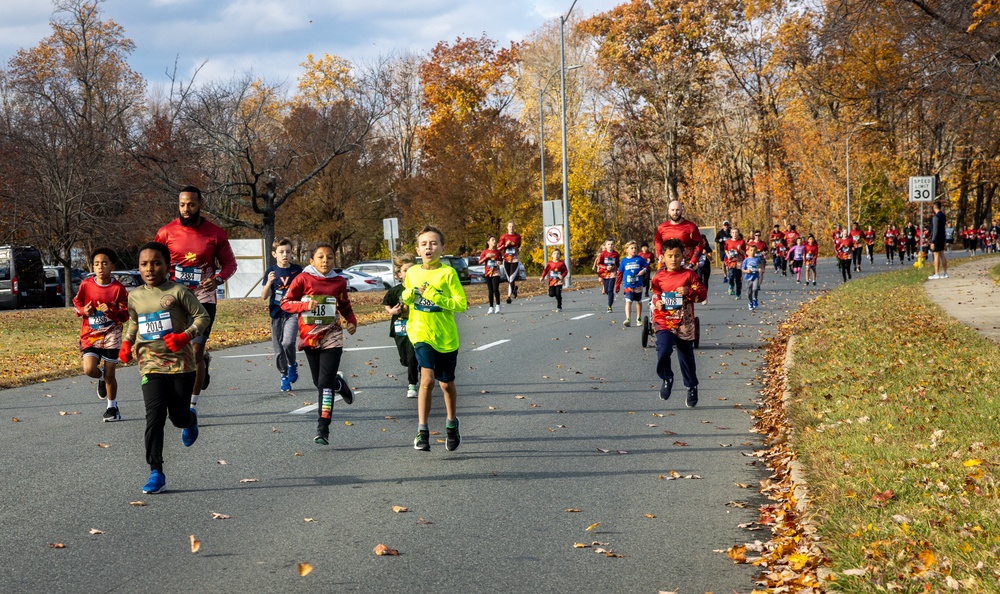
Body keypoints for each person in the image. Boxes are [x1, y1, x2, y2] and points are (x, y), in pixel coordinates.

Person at [118, 241, 209, 494]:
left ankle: (190, 420)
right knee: (154, 417)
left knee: (178, 418)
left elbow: (203, 317)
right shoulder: (135, 296)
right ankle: (156, 471)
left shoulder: (178, 291)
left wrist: (185, 336)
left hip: (181, 365)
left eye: (156, 263)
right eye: (144, 264)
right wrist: (126, 343)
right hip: (150, 366)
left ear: (167, 265)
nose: (150, 268)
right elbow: (134, 323)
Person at [154, 186, 237, 410]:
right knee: (174, 349)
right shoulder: (166, 233)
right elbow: (154, 261)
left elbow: (230, 264)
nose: (186, 209)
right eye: (182, 205)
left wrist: (218, 279)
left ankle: (191, 406)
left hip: (204, 298)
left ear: (200, 204)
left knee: (195, 351)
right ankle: (192, 374)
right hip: (175, 298)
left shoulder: (216, 233)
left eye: (191, 204)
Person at [280, 243, 357, 446]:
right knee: (320, 382)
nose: (325, 261)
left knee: (324, 385)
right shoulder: (302, 279)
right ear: (311, 260)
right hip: (310, 338)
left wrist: (351, 322)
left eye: (330, 257)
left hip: (332, 336)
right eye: (320, 257)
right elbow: (285, 302)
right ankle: (339, 384)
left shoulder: (339, 281)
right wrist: (305, 305)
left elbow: (344, 305)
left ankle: (323, 428)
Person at [401, 226, 468, 452]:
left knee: (446, 383)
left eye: (433, 243)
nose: (428, 247)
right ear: (417, 249)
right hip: (421, 332)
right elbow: (407, 297)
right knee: (427, 380)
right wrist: (408, 295)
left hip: (445, 336)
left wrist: (435, 296)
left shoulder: (448, 274)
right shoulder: (413, 273)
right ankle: (422, 431)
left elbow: (461, 304)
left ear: (442, 248)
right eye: (424, 244)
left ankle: (451, 424)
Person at [72, 248, 130, 421]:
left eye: (104, 263)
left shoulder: (118, 288)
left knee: (112, 373)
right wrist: (84, 310)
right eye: (96, 264)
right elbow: (76, 302)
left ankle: (112, 408)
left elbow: (125, 314)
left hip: (112, 335)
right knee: (89, 369)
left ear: (112, 266)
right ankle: (102, 377)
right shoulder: (86, 284)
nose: (100, 267)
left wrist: (111, 312)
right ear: (92, 266)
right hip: (90, 334)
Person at [650, 238, 706, 408]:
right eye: (669, 256)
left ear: (683, 256)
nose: (673, 259)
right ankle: (667, 377)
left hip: (684, 320)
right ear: (663, 257)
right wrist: (658, 302)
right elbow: (656, 294)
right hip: (664, 319)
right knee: (664, 349)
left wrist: (689, 291)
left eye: (677, 255)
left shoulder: (689, 275)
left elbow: (702, 294)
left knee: (686, 355)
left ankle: (691, 386)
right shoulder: (658, 277)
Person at [262, 238, 303, 392]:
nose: (285, 254)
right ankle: (284, 375)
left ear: (291, 253)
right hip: (276, 313)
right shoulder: (271, 271)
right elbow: (264, 296)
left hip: (292, 312)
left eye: (288, 251)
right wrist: (268, 283)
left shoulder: (297, 270)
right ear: (274, 254)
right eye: (281, 252)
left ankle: (292, 364)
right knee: (278, 348)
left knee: (287, 342)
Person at [383, 253, 418, 398]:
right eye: (405, 270)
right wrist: (392, 310)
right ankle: (416, 369)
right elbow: (387, 305)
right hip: (400, 328)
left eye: (412, 269)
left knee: (413, 356)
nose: (409, 273)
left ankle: (412, 385)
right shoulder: (395, 291)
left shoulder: (419, 289)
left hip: (417, 327)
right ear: (399, 274)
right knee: (406, 358)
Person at [654, 200, 705, 270]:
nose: (675, 213)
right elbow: (657, 241)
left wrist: (692, 262)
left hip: (685, 266)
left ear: (681, 210)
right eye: (673, 210)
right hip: (667, 266)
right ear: (668, 211)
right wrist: (660, 254)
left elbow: (699, 245)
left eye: (677, 210)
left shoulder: (691, 227)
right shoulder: (661, 227)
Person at [615, 241, 648, 326]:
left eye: (635, 248)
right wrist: (617, 284)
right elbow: (620, 273)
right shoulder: (624, 261)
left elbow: (647, 266)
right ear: (627, 250)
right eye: (632, 248)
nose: (634, 250)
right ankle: (628, 319)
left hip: (638, 284)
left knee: (638, 301)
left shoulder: (639, 259)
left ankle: (638, 318)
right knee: (628, 301)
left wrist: (643, 270)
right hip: (628, 285)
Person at [497, 221, 522, 304]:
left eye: (513, 226)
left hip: (514, 259)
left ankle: (509, 297)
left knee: (511, 278)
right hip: (506, 259)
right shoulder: (504, 236)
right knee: (509, 278)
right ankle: (514, 289)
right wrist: (505, 245)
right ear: (507, 228)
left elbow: (519, 246)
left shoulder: (518, 236)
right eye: (510, 226)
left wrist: (519, 248)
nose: (511, 228)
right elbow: (498, 248)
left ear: (514, 227)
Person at [593, 239, 620, 312]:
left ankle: (609, 306)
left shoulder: (616, 254)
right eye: (608, 244)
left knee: (610, 289)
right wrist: (606, 267)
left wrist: (616, 269)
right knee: (607, 290)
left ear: (614, 245)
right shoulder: (602, 254)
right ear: (606, 245)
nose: (610, 246)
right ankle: (610, 296)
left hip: (612, 273)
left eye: (612, 244)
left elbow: (617, 263)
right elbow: (599, 264)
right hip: (604, 273)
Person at [479, 236, 503, 314]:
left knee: (495, 289)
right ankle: (491, 307)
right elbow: (480, 262)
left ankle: (498, 305)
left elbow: (500, 260)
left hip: (496, 272)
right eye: (492, 240)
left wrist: (499, 262)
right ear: (488, 242)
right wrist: (486, 257)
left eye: (495, 240)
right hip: (488, 273)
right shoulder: (485, 252)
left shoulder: (498, 252)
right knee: (490, 290)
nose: (494, 241)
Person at [723, 229, 746, 297]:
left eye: (736, 232)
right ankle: (731, 285)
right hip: (731, 260)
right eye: (733, 232)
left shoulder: (742, 242)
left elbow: (744, 253)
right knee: (731, 275)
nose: (735, 234)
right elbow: (726, 249)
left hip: (739, 260)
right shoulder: (728, 241)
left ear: (738, 234)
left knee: (738, 277)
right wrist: (728, 255)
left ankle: (738, 293)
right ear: (731, 234)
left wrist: (740, 249)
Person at [929, 200, 949, 279]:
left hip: (936, 238)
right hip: (942, 237)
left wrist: (933, 241)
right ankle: (945, 272)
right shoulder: (943, 216)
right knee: (942, 255)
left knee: (936, 255)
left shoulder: (936, 217)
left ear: (934, 207)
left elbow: (935, 230)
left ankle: (937, 273)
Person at [741, 244, 764, 310]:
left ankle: (755, 299)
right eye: (751, 250)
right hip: (748, 277)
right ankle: (750, 302)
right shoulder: (746, 260)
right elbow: (742, 269)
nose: (752, 252)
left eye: (754, 250)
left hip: (755, 276)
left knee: (755, 288)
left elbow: (760, 264)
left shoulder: (757, 259)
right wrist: (746, 271)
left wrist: (760, 268)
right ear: (748, 251)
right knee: (749, 293)